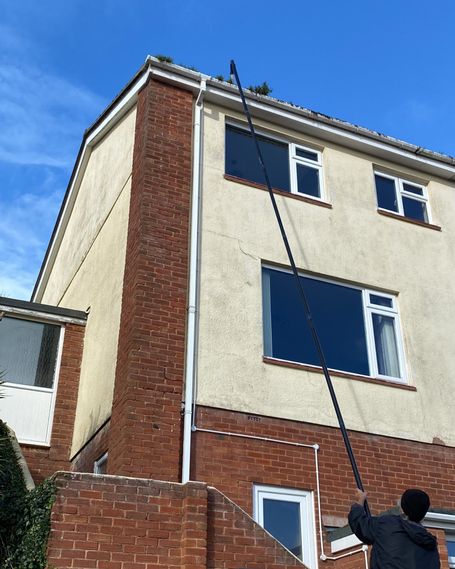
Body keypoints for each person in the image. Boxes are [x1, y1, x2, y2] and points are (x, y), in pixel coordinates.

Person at [348, 488, 440, 569]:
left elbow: (360, 524)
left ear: (402, 508)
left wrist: (360, 501)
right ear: (423, 514)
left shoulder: (387, 525)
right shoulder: (431, 546)